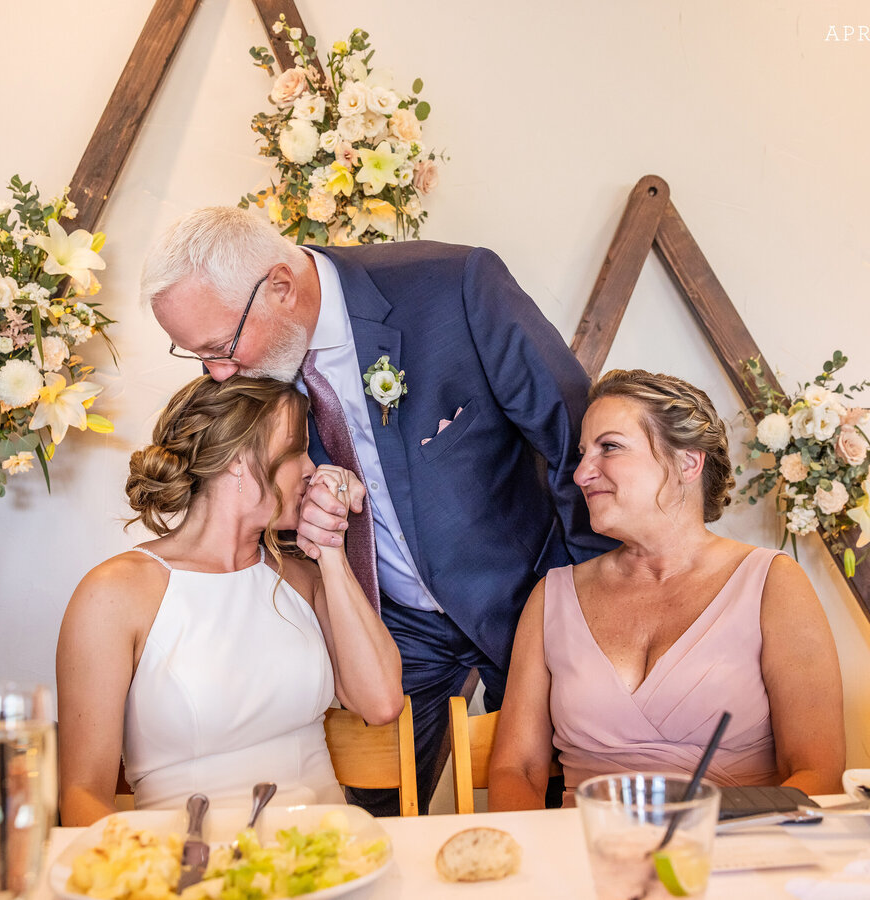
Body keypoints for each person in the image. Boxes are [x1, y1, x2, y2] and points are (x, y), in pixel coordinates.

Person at [141, 207, 614, 813]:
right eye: (196, 355)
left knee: (557, 800)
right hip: (390, 627)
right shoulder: (252, 369)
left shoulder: (454, 286)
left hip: (524, 600)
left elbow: (577, 442)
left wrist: (598, 599)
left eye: (220, 347)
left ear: (281, 287)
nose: (217, 373)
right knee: (369, 813)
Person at [489, 369, 846, 809]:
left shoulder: (772, 584)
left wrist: (696, 841)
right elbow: (516, 770)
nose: (581, 473)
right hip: (587, 856)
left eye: (610, 447)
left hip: (732, 856)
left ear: (687, 463)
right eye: (584, 454)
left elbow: (819, 773)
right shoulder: (552, 596)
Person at [56, 375, 402, 826]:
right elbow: (82, 796)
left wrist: (332, 549)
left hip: (327, 856)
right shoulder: (115, 594)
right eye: (297, 448)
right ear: (239, 460)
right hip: (190, 872)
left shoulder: (303, 578)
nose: (311, 468)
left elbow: (381, 704)